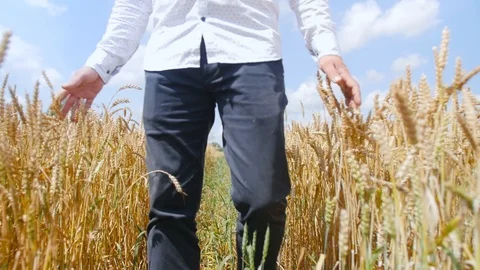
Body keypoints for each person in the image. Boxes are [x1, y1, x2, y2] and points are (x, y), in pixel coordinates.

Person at [57, 0, 361, 269]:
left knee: (263, 197)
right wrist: (101, 65)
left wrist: (327, 48)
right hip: (171, 60)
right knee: (167, 202)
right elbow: (132, 5)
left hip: (252, 52)